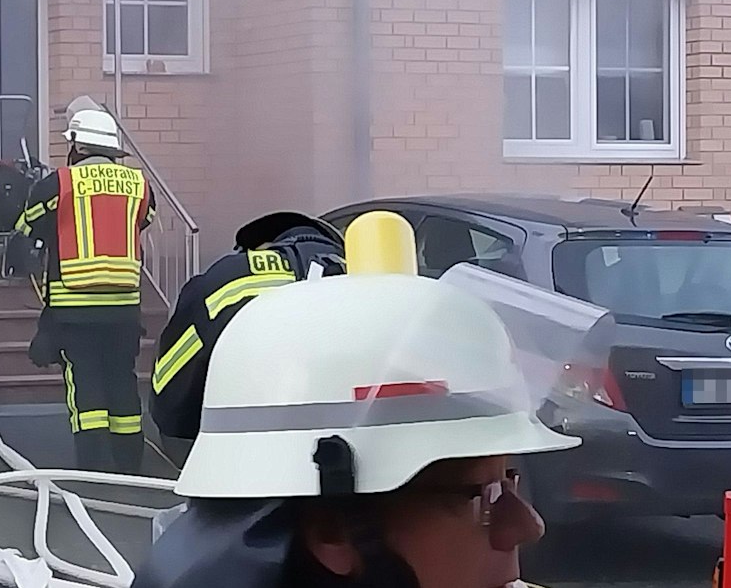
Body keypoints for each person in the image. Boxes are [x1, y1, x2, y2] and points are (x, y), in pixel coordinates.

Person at [135, 212, 583, 588]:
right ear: (333, 530)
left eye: (511, 479)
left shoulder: (231, 283)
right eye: (481, 498)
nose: (528, 526)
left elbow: (170, 394)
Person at [16, 107, 154, 473]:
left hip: (74, 307)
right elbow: (145, 220)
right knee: (123, 382)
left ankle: (93, 469)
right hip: (124, 308)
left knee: (86, 385)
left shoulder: (59, 183)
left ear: (76, 144)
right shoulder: (139, 184)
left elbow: (28, 225)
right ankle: (130, 466)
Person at [151, 212, 347, 451]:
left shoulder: (226, 278)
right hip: (368, 458)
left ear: (260, 247)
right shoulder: (368, 272)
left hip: (251, 455)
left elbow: (170, 387)